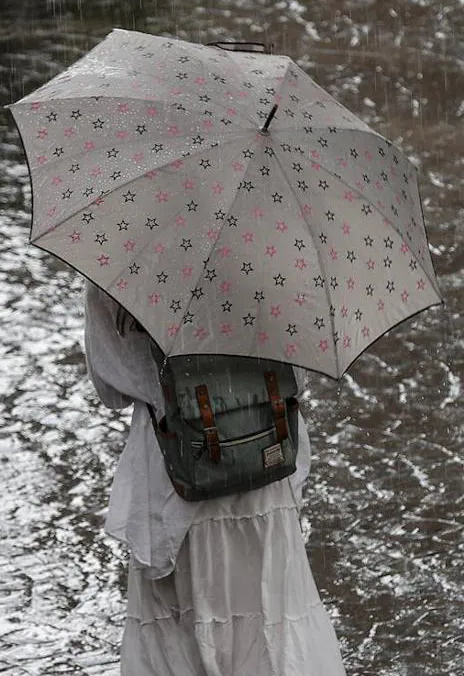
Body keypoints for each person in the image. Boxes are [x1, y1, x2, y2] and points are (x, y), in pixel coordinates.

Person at [82, 281, 346, 676]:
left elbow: (110, 387)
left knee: (184, 626)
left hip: (175, 473)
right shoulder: (275, 247)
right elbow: (299, 377)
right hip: (263, 459)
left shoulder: (119, 260)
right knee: (271, 613)